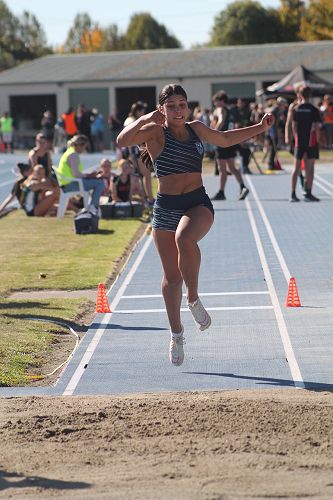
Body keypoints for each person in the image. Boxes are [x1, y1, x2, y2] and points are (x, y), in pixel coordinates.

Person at [117, 83, 274, 366]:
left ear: (188, 107)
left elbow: (225, 139)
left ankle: (193, 297)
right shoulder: (155, 131)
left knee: (185, 239)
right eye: (172, 105)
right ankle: (176, 333)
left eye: (182, 104)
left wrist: (260, 127)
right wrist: (145, 119)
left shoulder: (196, 128)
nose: (178, 110)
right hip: (165, 207)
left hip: (196, 202)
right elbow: (122, 141)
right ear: (162, 109)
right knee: (171, 277)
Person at [211, 91, 250, 201]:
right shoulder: (231, 111)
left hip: (222, 141)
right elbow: (235, 126)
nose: (215, 104)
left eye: (216, 102)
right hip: (230, 141)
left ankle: (221, 192)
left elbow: (221, 121)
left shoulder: (221, 110)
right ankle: (242, 186)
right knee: (232, 167)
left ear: (222, 101)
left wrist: (213, 133)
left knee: (222, 169)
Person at [290, 86, 321, 202]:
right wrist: (317, 141)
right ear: (310, 95)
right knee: (310, 168)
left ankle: (292, 194)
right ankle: (308, 192)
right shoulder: (314, 109)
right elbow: (317, 127)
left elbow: (294, 126)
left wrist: (296, 138)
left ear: (300, 95)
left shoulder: (296, 109)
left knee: (296, 168)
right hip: (311, 141)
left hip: (299, 142)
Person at [57, 134, 104, 211]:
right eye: (85, 147)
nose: (84, 149)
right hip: (70, 185)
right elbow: (76, 174)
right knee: (100, 183)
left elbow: (75, 173)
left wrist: (90, 175)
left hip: (67, 184)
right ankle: (93, 207)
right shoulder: (73, 154)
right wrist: (90, 175)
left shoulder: (69, 152)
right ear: (80, 145)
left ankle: (90, 206)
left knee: (96, 181)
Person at [122, 101, 155, 207]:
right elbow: (129, 138)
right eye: (142, 111)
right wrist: (131, 154)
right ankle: (149, 199)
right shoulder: (131, 121)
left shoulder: (132, 120)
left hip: (135, 152)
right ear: (138, 111)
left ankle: (147, 198)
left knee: (144, 175)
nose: (144, 113)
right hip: (134, 153)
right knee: (146, 174)